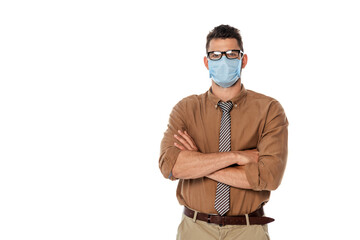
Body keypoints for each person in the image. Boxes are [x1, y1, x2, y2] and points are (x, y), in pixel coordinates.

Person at [158, 24, 289, 240]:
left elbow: (269, 177)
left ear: (243, 60)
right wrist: (237, 157)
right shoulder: (186, 109)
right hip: (195, 229)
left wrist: (198, 163)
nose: (224, 60)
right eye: (216, 55)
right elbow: (170, 167)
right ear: (206, 62)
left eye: (231, 54)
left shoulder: (269, 110)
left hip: (249, 229)